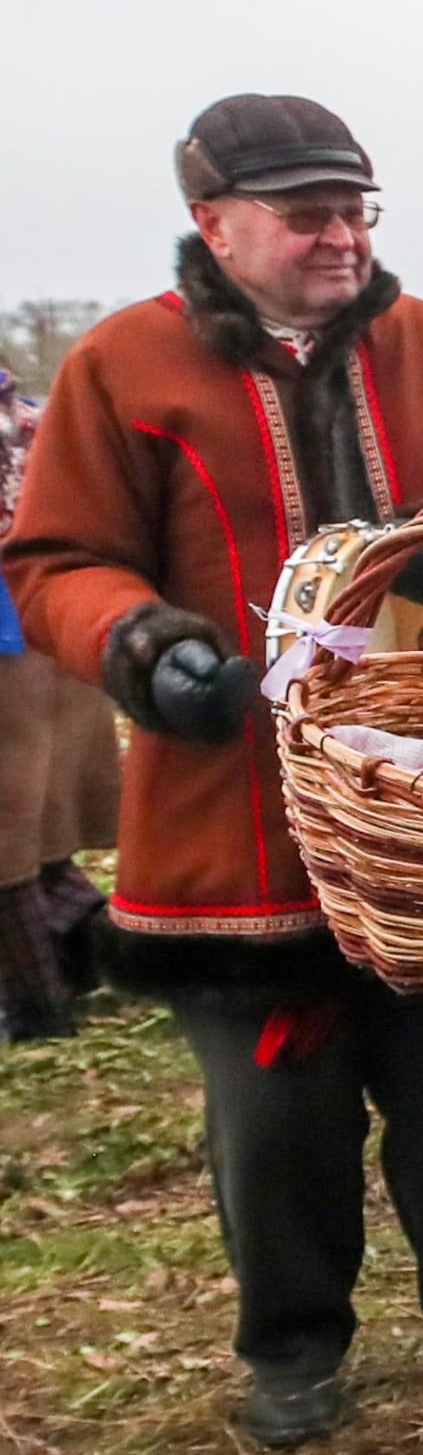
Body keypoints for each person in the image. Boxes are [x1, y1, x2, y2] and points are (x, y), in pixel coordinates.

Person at [2, 95, 423, 1445]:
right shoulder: (121, 367)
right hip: (231, 807)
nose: (340, 235)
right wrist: (144, 646)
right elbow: (55, 560)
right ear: (217, 224)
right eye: (307, 213)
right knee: (274, 1101)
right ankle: (294, 1337)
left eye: (354, 209)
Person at [0, 358, 118, 1041]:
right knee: (37, 833)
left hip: (17, 646)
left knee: (11, 844)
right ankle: (94, 959)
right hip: (56, 633)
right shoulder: (36, 415)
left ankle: (36, 1005)